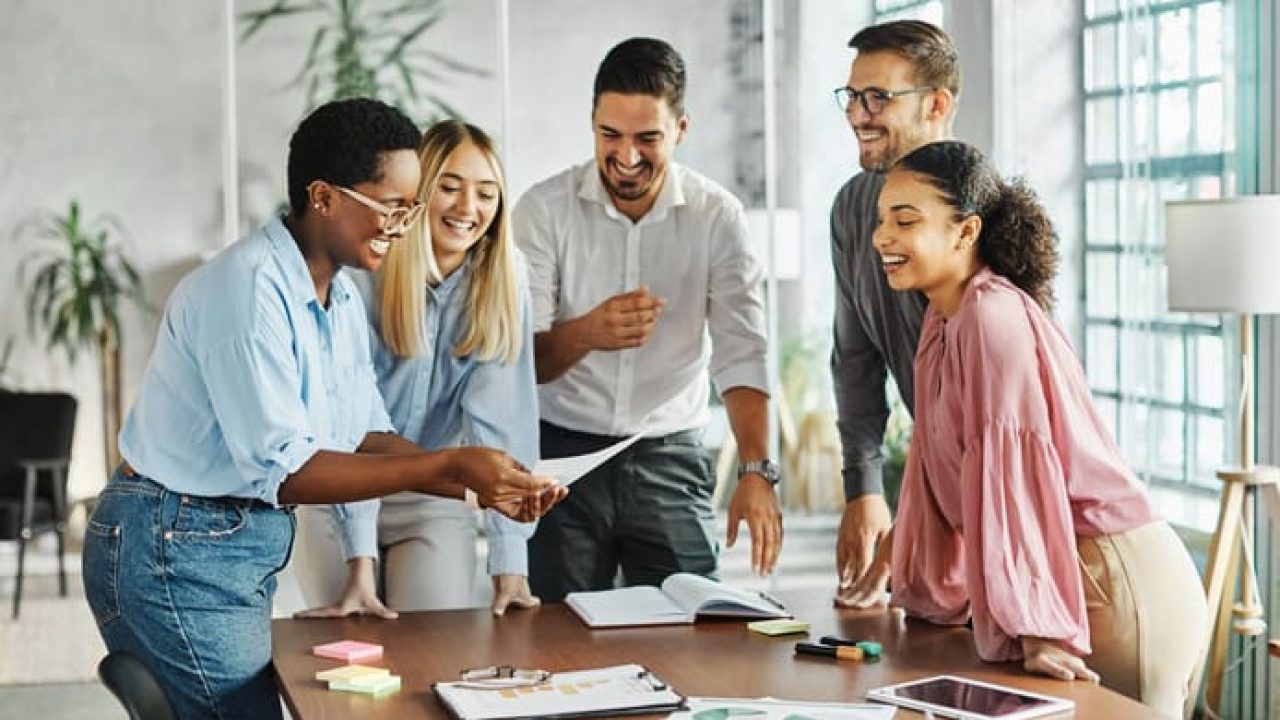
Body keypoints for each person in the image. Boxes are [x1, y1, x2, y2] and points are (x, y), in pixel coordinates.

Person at [81, 98, 564, 719]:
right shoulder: (250, 293)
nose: (405, 223)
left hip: (222, 543)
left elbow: (364, 433)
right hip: (172, 547)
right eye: (393, 205)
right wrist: (448, 466)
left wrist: (476, 484)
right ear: (324, 198)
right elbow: (290, 471)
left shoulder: (333, 297)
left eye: (411, 207)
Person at [842, 139, 1207, 716]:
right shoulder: (946, 316)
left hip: (1110, 578)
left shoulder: (991, 317)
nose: (881, 238)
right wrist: (908, 569)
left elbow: (1016, 482)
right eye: (882, 219)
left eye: (904, 221)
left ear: (966, 233)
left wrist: (1036, 624)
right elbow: (937, 465)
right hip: (1067, 574)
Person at [514, 37, 782, 602]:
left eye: (647, 138)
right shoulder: (543, 211)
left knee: (693, 630)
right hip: (563, 456)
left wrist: (756, 470)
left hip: (669, 454)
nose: (627, 156)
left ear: (682, 129)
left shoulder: (718, 217)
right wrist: (588, 332)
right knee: (559, 639)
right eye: (610, 135)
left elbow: (743, 351)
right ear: (591, 122)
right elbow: (523, 364)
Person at [293, 119, 543, 617]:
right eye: (449, 188)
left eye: (486, 194)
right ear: (415, 195)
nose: (468, 209)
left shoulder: (504, 281)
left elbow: (501, 428)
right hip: (338, 495)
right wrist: (359, 562)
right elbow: (350, 430)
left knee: (434, 648)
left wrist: (510, 564)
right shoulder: (363, 272)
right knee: (350, 657)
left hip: (433, 496)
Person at [829, 19, 961, 602]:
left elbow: (986, 420)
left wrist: (911, 523)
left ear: (935, 104)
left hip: (1007, 503)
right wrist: (864, 488)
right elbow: (854, 360)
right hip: (939, 492)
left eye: (879, 97)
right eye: (853, 96)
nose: (859, 114)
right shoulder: (853, 207)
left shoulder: (983, 216)